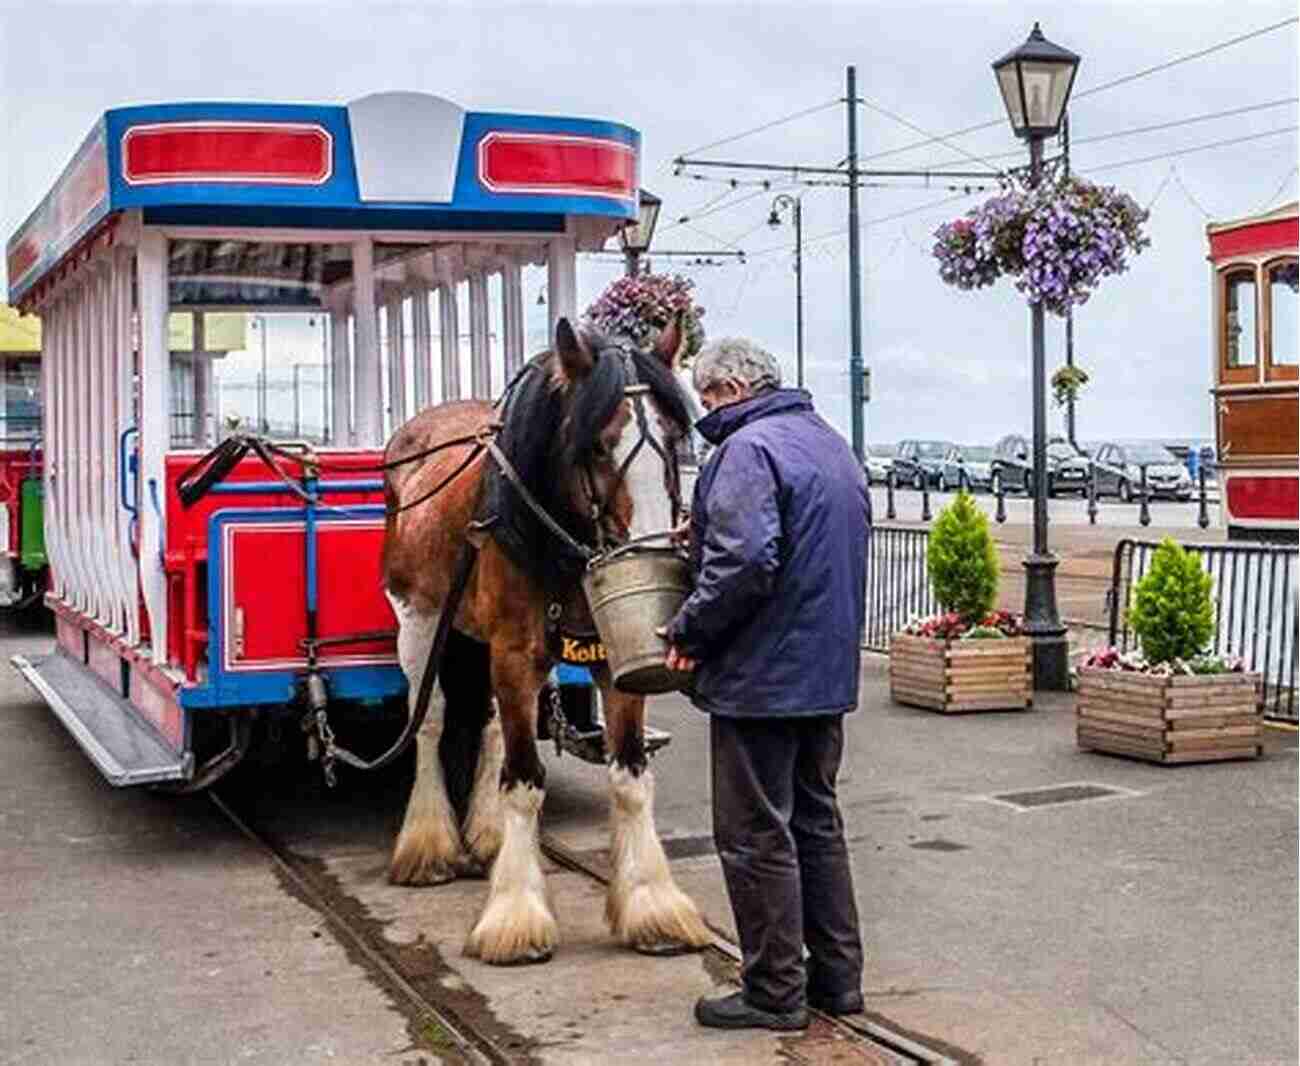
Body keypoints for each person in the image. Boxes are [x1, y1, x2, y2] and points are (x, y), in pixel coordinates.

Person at [662, 338, 871, 1032]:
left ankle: (774, 990)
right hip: (825, 673)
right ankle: (837, 980)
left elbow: (747, 561)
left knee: (755, 834)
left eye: (709, 396)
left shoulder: (746, 450)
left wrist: (688, 631)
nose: (707, 410)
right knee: (816, 823)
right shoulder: (829, 443)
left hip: (762, 676)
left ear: (731, 388)